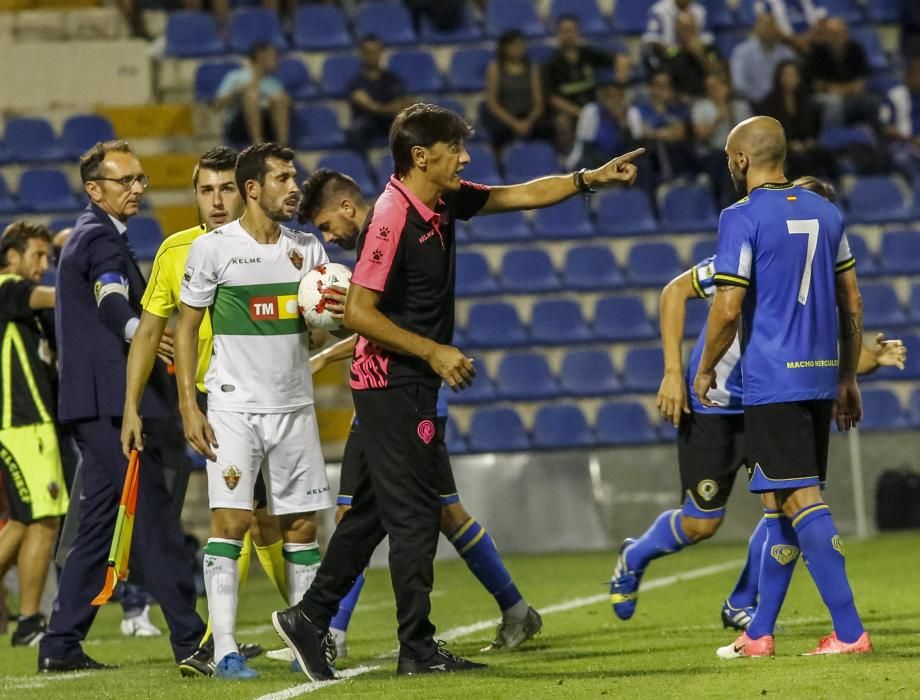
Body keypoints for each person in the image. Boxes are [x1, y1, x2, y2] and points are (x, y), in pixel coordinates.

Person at [270, 103, 643, 682]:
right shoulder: (392, 217)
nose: (465, 158)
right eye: (455, 149)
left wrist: (587, 179)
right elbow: (361, 313)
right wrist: (434, 352)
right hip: (394, 384)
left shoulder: (439, 198)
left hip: (401, 382)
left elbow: (515, 195)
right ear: (422, 156)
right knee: (416, 516)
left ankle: (308, 617)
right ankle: (416, 648)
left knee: (369, 517)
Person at [610, 175, 907, 631]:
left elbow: (817, 352)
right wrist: (674, 372)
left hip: (770, 399)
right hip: (715, 403)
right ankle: (635, 554)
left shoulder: (816, 275)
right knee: (702, 523)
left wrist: (869, 360)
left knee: (782, 502)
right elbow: (675, 292)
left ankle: (743, 604)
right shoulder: (753, 252)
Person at [298, 169, 542, 656]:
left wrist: (333, 351)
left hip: (405, 395)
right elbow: (375, 323)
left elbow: (377, 319)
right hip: (383, 396)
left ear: (347, 207)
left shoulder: (388, 233)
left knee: (423, 513)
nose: (329, 238)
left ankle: (334, 631)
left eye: (327, 225)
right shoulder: (385, 231)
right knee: (390, 511)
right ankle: (328, 628)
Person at [694, 116, 871, 657]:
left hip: (773, 378)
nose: (729, 164)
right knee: (779, 504)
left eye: (730, 156)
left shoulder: (740, 216)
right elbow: (853, 302)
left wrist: (703, 368)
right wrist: (846, 377)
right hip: (819, 377)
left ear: (742, 160)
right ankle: (759, 633)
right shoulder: (827, 212)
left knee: (801, 499)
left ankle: (849, 632)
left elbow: (726, 309)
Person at [38, 140, 206, 673]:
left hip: (93, 403)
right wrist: (143, 332)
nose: (137, 188)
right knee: (154, 518)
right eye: (125, 181)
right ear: (95, 189)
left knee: (97, 528)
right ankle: (192, 641)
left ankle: (60, 643)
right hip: (112, 405)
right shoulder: (100, 241)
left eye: (140, 180)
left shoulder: (94, 235)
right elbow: (112, 302)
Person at [120, 146, 284, 675]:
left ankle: (316, 620)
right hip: (209, 403)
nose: (216, 201)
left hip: (265, 397)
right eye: (206, 190)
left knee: (265, 522)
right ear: (194, 194)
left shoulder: (269, 242)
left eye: (226, 189)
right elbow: (149, 332)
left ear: (247, 191)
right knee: (237, 518)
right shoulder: (175, 251)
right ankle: (224, 639)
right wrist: (131, 407)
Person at [176, 143, 337, 680]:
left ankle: (306, 644)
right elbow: (185, 328)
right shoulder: (214, 249)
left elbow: (318, 325)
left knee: (301, 528)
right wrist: (188, 406)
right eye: (284, 178)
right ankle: (223, 649)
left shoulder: (308, 250)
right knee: (232, 520)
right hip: (232, 409)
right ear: (253, 188)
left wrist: (329, 316)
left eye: (295, 176)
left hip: (294, 406)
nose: (295, 187)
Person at [0, 222, 67, 647]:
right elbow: (54, 297)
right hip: (23, 423)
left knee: (29, 520)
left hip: (33, 424)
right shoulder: (7, 285)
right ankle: (28, 621)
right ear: (12, 255)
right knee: (42, 519)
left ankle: (28, 620)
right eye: (37, 256)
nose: (44, 266)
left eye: (48, 257)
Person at [543, 15, 628, 154]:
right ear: (558, 34)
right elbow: (553, 99)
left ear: (578, 32)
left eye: (571, 30)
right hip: (569, 110)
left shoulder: (588, 53)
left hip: (594, 105)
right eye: (564, 31)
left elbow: (621, 58)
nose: (568, 35)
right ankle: (568, 159)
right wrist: (579, 113)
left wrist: (620, 78)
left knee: (619, 110)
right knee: (562, 122)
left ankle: (617, 156)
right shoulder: (552, 62)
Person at [757, 60, 827, 179]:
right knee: (800, 159)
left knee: (824, 154)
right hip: (781, 148)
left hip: (805, 145)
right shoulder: (769, 102)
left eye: (793, 75)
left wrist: (809, 141)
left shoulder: (806, 101)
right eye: (785, 75)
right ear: (779, 78)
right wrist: (789, 144)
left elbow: (815, 127)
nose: (789, 79)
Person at [480, 30, 546, 152]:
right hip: (504, 116)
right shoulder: (495, 68)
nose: (519, 49)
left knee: (546, 127)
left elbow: (538, 103)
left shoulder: (532, 68)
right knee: (498, 131)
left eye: (521, 45)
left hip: (527, 115)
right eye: (514, 45)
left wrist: (528, 122)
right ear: (504, 48)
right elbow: (492, 103)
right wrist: (514, 123)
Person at [692, 73, 753, 207]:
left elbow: (748, 133)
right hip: (712, 151)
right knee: (722, 163)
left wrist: (729, 110)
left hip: (739, 152)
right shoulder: (701, 107)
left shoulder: (740, 106)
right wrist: (718, 118)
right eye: (710, 87)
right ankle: (723, 204)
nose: (714, 90)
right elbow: (701, 135)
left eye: (717, 86)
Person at [214, 42, 290, 147]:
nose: (277, 61)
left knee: (280, 98)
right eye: (273, 57)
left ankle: (283, 145)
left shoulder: (274, 81)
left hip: (266, 123)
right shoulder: (236, 76)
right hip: (239, 125)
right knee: (252, 95)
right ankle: (257, 144)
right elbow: (218, 105)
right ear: (260, 57)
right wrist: (239, 91)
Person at [803, 18, 873, 129]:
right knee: (834, 102)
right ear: (826, 35)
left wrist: (839, 89)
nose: (837, 37)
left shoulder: (856, 49)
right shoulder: (817, 52)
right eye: (833, 34)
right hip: (821, 97)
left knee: (871, 101)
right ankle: (834, 140)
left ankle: (868, 139)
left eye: (841, 33)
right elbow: (816, 86)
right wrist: (843, 89)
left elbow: (861, 83)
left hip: (851, 96)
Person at [346, 35, 412, 151]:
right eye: (368, 52)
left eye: (376, 52)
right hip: (368, 122)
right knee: (356, 130)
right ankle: (362, 164)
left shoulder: (391, 78)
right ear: (362, 53)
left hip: (389, 121)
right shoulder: (356, 81)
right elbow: (367, 104)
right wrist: (388, 108)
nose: (372, 56)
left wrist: (383, 108)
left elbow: (404, 103)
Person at [627, 71, 693, 183]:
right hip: (650, 159)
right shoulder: (638, 109)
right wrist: (666, 132)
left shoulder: (677, 109)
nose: (663, 90)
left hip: (677, 157)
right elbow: (641, 133)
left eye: (667, 85)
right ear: (651, 87)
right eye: (659, 85)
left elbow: (680, 133)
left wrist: (655, 132)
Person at [730, 12, 797, 105]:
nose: (768, 29)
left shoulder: (787, 54)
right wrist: (761, 99)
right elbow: (739, 85)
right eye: (765, 25)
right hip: (753, 102)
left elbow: (795, 81)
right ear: (756, 28)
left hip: (781, 104)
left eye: (772, 25)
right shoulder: (741, 52)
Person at [565, 81, 632, 171]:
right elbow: (585, 148)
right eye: (610, 97)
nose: (614, 101)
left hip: (619, 164)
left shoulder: (631, 113)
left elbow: (632, 149)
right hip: (593, 163)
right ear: (603, 98)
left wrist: (623, 124)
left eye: (618, 97)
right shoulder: (591, 111)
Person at [642, 0, 713, 73]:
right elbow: (651, 41)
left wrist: (698, 51)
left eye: (689, 28)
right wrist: (676, 51)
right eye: (682, 29)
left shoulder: (700, 11)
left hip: (695, 58)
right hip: (668, 58)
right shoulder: (658, 10)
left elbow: (707, 44)